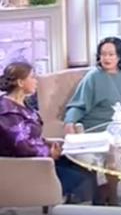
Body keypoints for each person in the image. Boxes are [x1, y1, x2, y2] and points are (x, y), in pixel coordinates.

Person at [0, 61, 95, 202]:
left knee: (86, 166)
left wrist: (48, 143)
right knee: (83, 180)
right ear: (20, 82)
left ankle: (92, 204)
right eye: (32, 77)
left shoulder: (23, 103)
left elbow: (31, 137)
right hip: (27, 167)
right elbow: (21, 148)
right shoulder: (7, 111)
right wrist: (49, 152)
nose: (36, 81)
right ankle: (74, 207)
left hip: (40, 158)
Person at [64, 37, 121, 133]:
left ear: (120, 56)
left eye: (111, 54)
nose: (106, 58)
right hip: (99, 128)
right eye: (103, 54)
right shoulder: (93, 76)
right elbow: (78, 105)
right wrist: (69, 122)